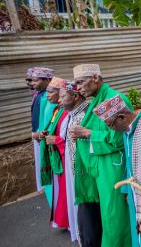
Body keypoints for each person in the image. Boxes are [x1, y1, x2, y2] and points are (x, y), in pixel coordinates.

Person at [69, 64, 132, 246]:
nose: (78, 87)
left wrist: (87, 133)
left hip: (113, 168)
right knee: (107, 215)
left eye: (80, 82)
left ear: (95, 78)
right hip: (102, 169)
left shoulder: (112, 99)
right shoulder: (96, 100)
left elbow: (120, 138)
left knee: (115, 219)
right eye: (75, 84)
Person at [93, 94, 141, 247]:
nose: (111, 130)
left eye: (110, 125)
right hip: (135, 193)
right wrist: (127, 190)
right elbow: (129, 163)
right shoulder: (127, 131)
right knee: (138, 235)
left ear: (121, 117)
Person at [38, 77, 70, 230]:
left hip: (64, 158)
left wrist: (56, 140)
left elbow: (69, 139)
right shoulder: (57, 110)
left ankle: (70, 223)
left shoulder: (66, 112)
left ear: (61, 93)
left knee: (66, 192)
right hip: (57, 156)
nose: (47, 96)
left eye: (51, 92)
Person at [60, 81, 88, 244]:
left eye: (63, 96)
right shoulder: (72, 116)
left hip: (83, 174)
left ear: (76, 96)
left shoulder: (83, 117)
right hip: (74, 171)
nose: (59, 100)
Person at [28, 67, 55, 198]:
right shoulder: (39, 95)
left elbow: (48, 119)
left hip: (44, 137)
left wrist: (38, 133)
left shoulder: (49, 97)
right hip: (39, 136)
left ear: (48, 79)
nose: (32, 83)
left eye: (35, 80)